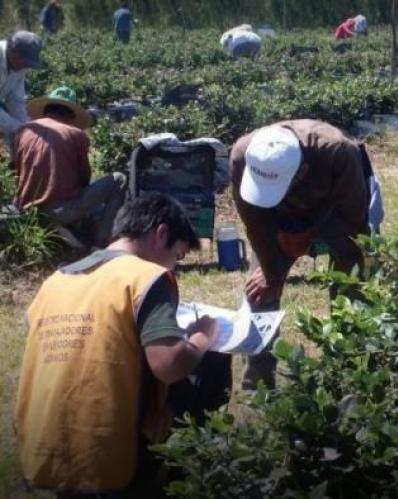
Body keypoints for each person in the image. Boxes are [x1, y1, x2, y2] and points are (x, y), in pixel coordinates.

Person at [15, 193, 224, 497]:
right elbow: (169, 365)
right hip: (106, 461)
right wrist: (201, 338)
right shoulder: (147, 277)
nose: (174, 267)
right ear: (161, 234)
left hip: (40, 456)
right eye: (177, 257)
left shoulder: (55, 281)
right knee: (211, 362)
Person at [230, 120, 373, 389]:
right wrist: (272, 273)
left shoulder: (339, 153)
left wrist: (307, 236)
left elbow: (354, 227)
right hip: (277, 217)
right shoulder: (242, 155)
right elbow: (255, 223)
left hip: (337, 208)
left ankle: (348, 374)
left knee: (352, 285)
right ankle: (257, 385)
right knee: (260, 290)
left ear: (303, 171)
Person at [15, 86, 126, 249]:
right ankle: (100, 243)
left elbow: (17, 170)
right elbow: (84, 178)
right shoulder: (76, 134)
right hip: (59, 212)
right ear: (70, 115)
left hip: (26, 211)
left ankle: (61, 225)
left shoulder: (23, 130)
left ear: (46, 110)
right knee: (119, 179)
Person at [0, 31, 42, 153]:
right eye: (24, 62)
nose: (26, 67)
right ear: (13, 51)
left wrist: (24, 126)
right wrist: (18, 127)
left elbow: (16, 99)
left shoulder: (20, 66)